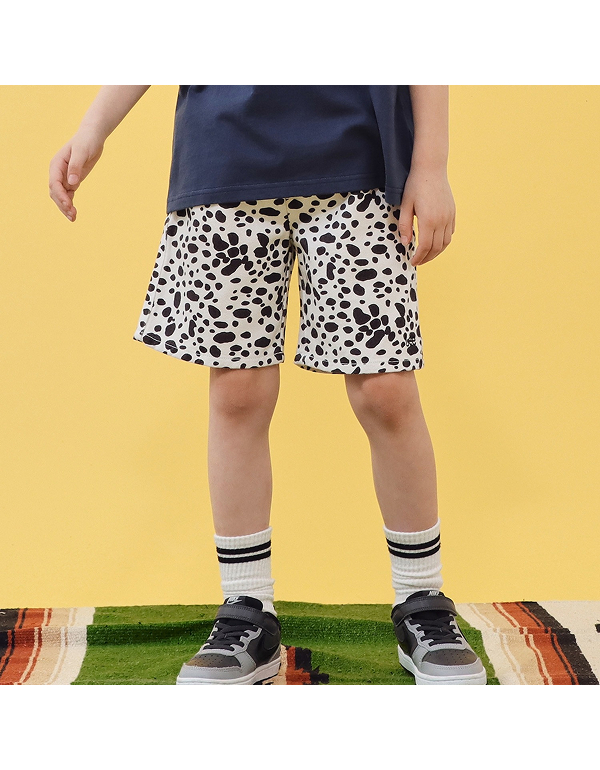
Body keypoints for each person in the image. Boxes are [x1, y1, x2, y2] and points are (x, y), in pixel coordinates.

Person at [49, 85, 486, 686]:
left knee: (385, 390)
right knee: (237, 392)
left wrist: (430, 165)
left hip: (360, 159)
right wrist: (94, 126)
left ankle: (423, 602)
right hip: (226, 159)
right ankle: (247, 609)